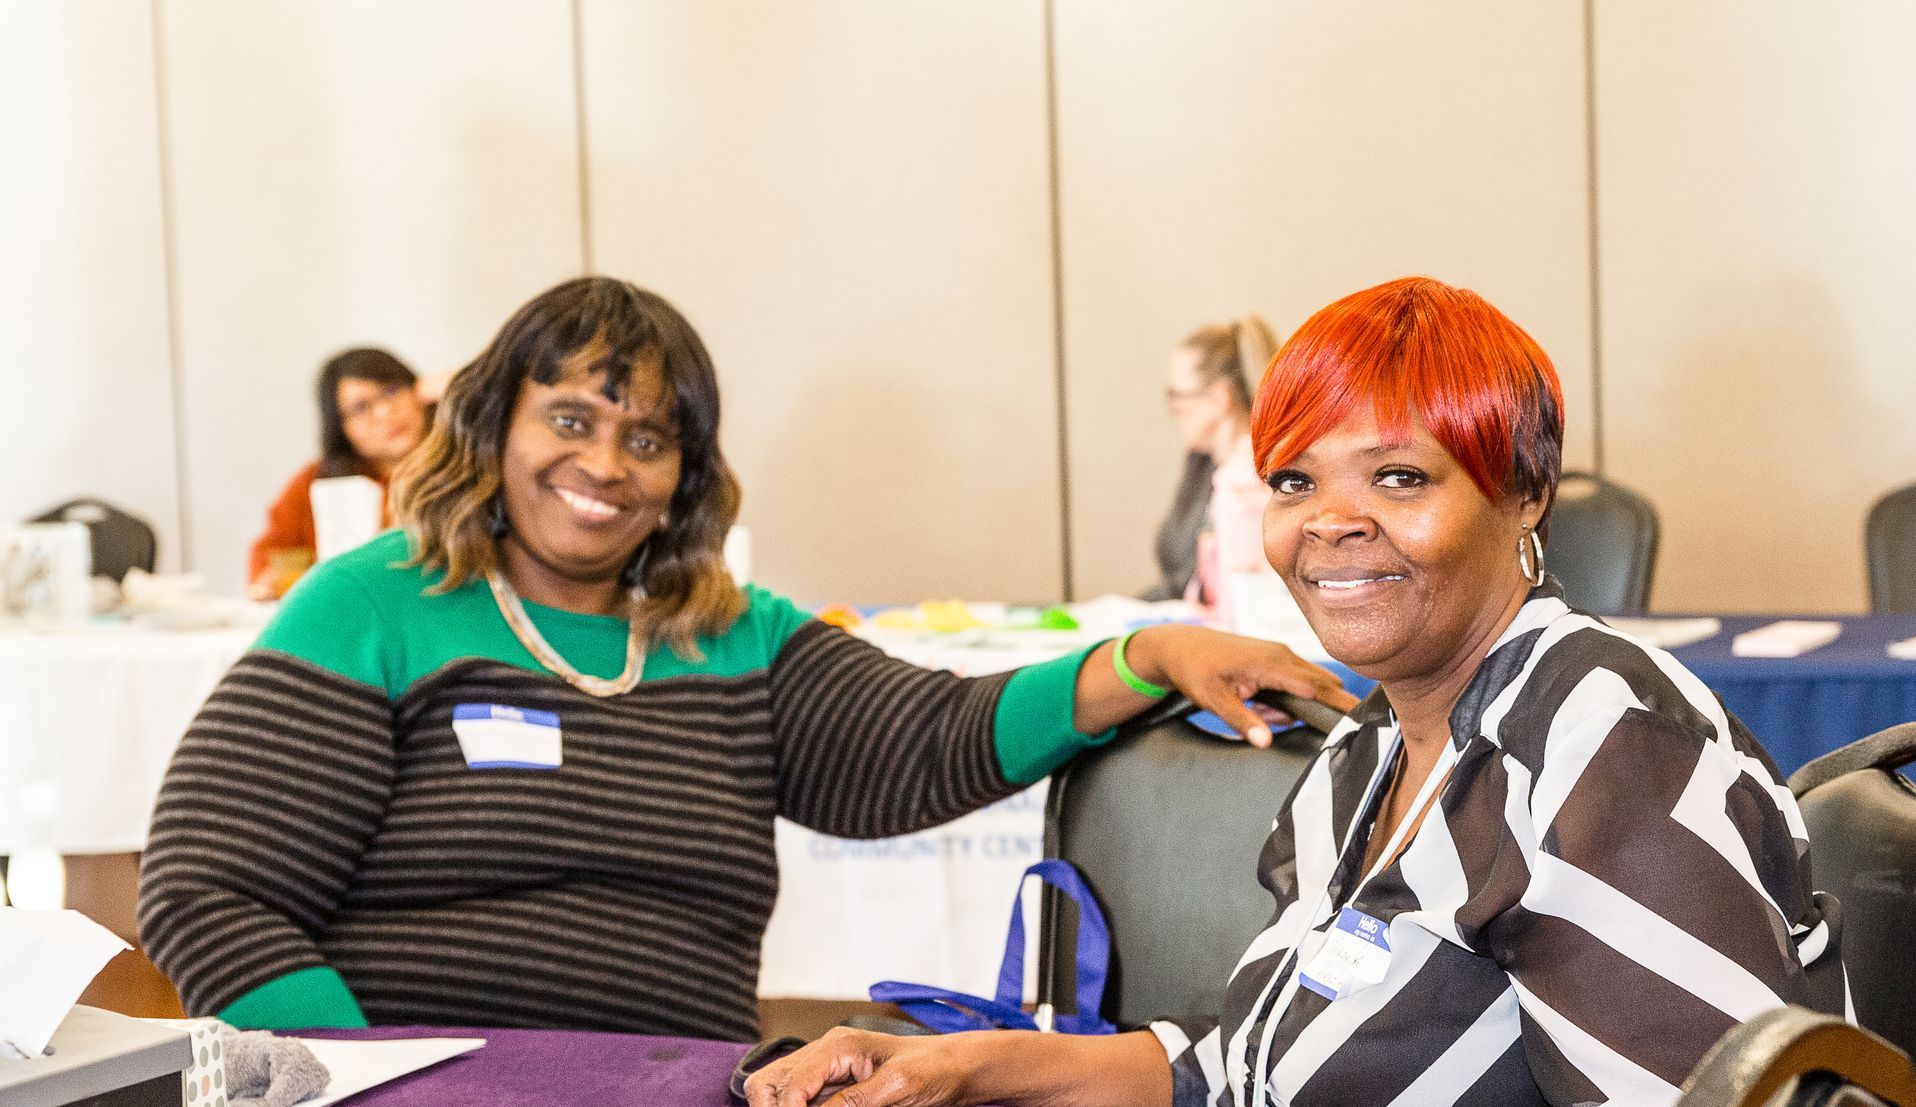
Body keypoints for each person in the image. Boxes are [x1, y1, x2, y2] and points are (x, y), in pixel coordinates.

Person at [746, 277, 1843, 1107]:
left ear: (1523, 495)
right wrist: (959, 1069)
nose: (1330, 521)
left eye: (1400, 477)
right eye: (1294, 479)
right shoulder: (1373, 745)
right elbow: (1247, 1078)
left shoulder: (1606, 743)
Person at [138, 276, 1352, 1042]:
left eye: (648, 438)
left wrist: (1147, 656)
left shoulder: (730, 631)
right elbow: (207, 892)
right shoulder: (377, 601)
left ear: (687, 474)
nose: (606, 466)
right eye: (571, 420)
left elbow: (922, 742)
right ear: (496, 424)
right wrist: (358, 1098)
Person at [247, 347, 433, 598]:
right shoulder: (317, 482)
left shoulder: (466, 465)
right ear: (341, 427)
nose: (384, 413)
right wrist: (272, 582)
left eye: (391, 391)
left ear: (419, 391)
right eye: (361, 407)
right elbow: (270, 557)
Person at [1144, 315, 1281, 614]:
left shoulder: (1250, 481)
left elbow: (1239, 596)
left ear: (1220, 398)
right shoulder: (1203, 466)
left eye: (1177, 396)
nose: (1174, 410)